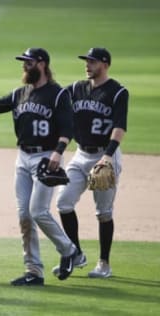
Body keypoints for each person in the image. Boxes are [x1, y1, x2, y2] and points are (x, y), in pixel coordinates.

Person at [0, 48, 78, 286]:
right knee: (24, 215)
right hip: (23, 158)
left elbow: (68, 128)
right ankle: (33, 271)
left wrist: (58, 153)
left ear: (42, 64)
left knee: (38, 211)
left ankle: (69, 250)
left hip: (46, 157)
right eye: (23, 63)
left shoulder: (58, 95)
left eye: (28, 62)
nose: (24, 66)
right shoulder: (20, 93)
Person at [53, 48, 129, 278]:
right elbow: (54, 97)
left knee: (103, 213)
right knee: (63, 203)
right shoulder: (76, 88)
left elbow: (119, 127)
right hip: (80, 154)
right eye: (86, 61)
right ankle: (76, 254)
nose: (87, 65)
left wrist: (108, 155)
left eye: (92, 62)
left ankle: (104, 263)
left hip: (105, 156)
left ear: (105, 64)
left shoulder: (118, 92)